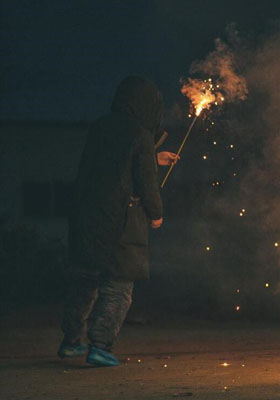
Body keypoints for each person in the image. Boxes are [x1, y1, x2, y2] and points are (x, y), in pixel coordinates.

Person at [59, 76, 178, 366]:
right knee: (119, 286)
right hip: (120, 221)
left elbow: (116, 160)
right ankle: (100, 346)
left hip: (86, 216)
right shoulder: (140, 133)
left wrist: (152, 155)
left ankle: (71, 342)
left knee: (85, 282)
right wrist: (156, 213)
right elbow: (145, 180)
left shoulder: (101, 126)